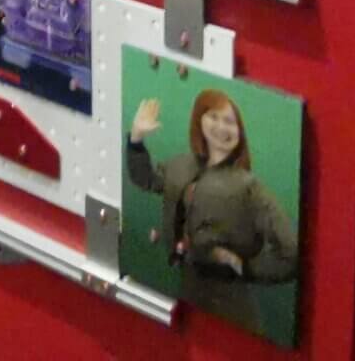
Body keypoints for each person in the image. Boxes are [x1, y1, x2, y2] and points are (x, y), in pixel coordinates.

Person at [126, 89, 298, 330]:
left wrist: (243, 266)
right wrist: (136, 140)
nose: (221, 127)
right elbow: (146, 179)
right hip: (186, 291)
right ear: (199, 120)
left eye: (229, 121)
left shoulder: (248, 187)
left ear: (240, 131)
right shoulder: (181, 165)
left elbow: (290, 253)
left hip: (230, 304)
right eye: (214, 117)